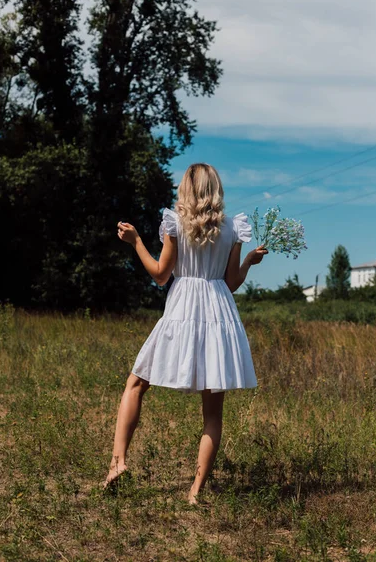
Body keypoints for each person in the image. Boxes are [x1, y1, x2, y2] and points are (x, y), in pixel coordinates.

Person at [103, 163, 268, 503]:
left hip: (182, 311)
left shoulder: (175, 224)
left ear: (186, 189)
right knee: (212, 410)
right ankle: (195, 492)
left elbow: (161, 275)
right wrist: (248, 260)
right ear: (215, 189)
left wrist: (136, 243)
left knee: (136, 383)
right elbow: (231, 283)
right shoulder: (232, 229)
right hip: (219, 314)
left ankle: (117, 463)